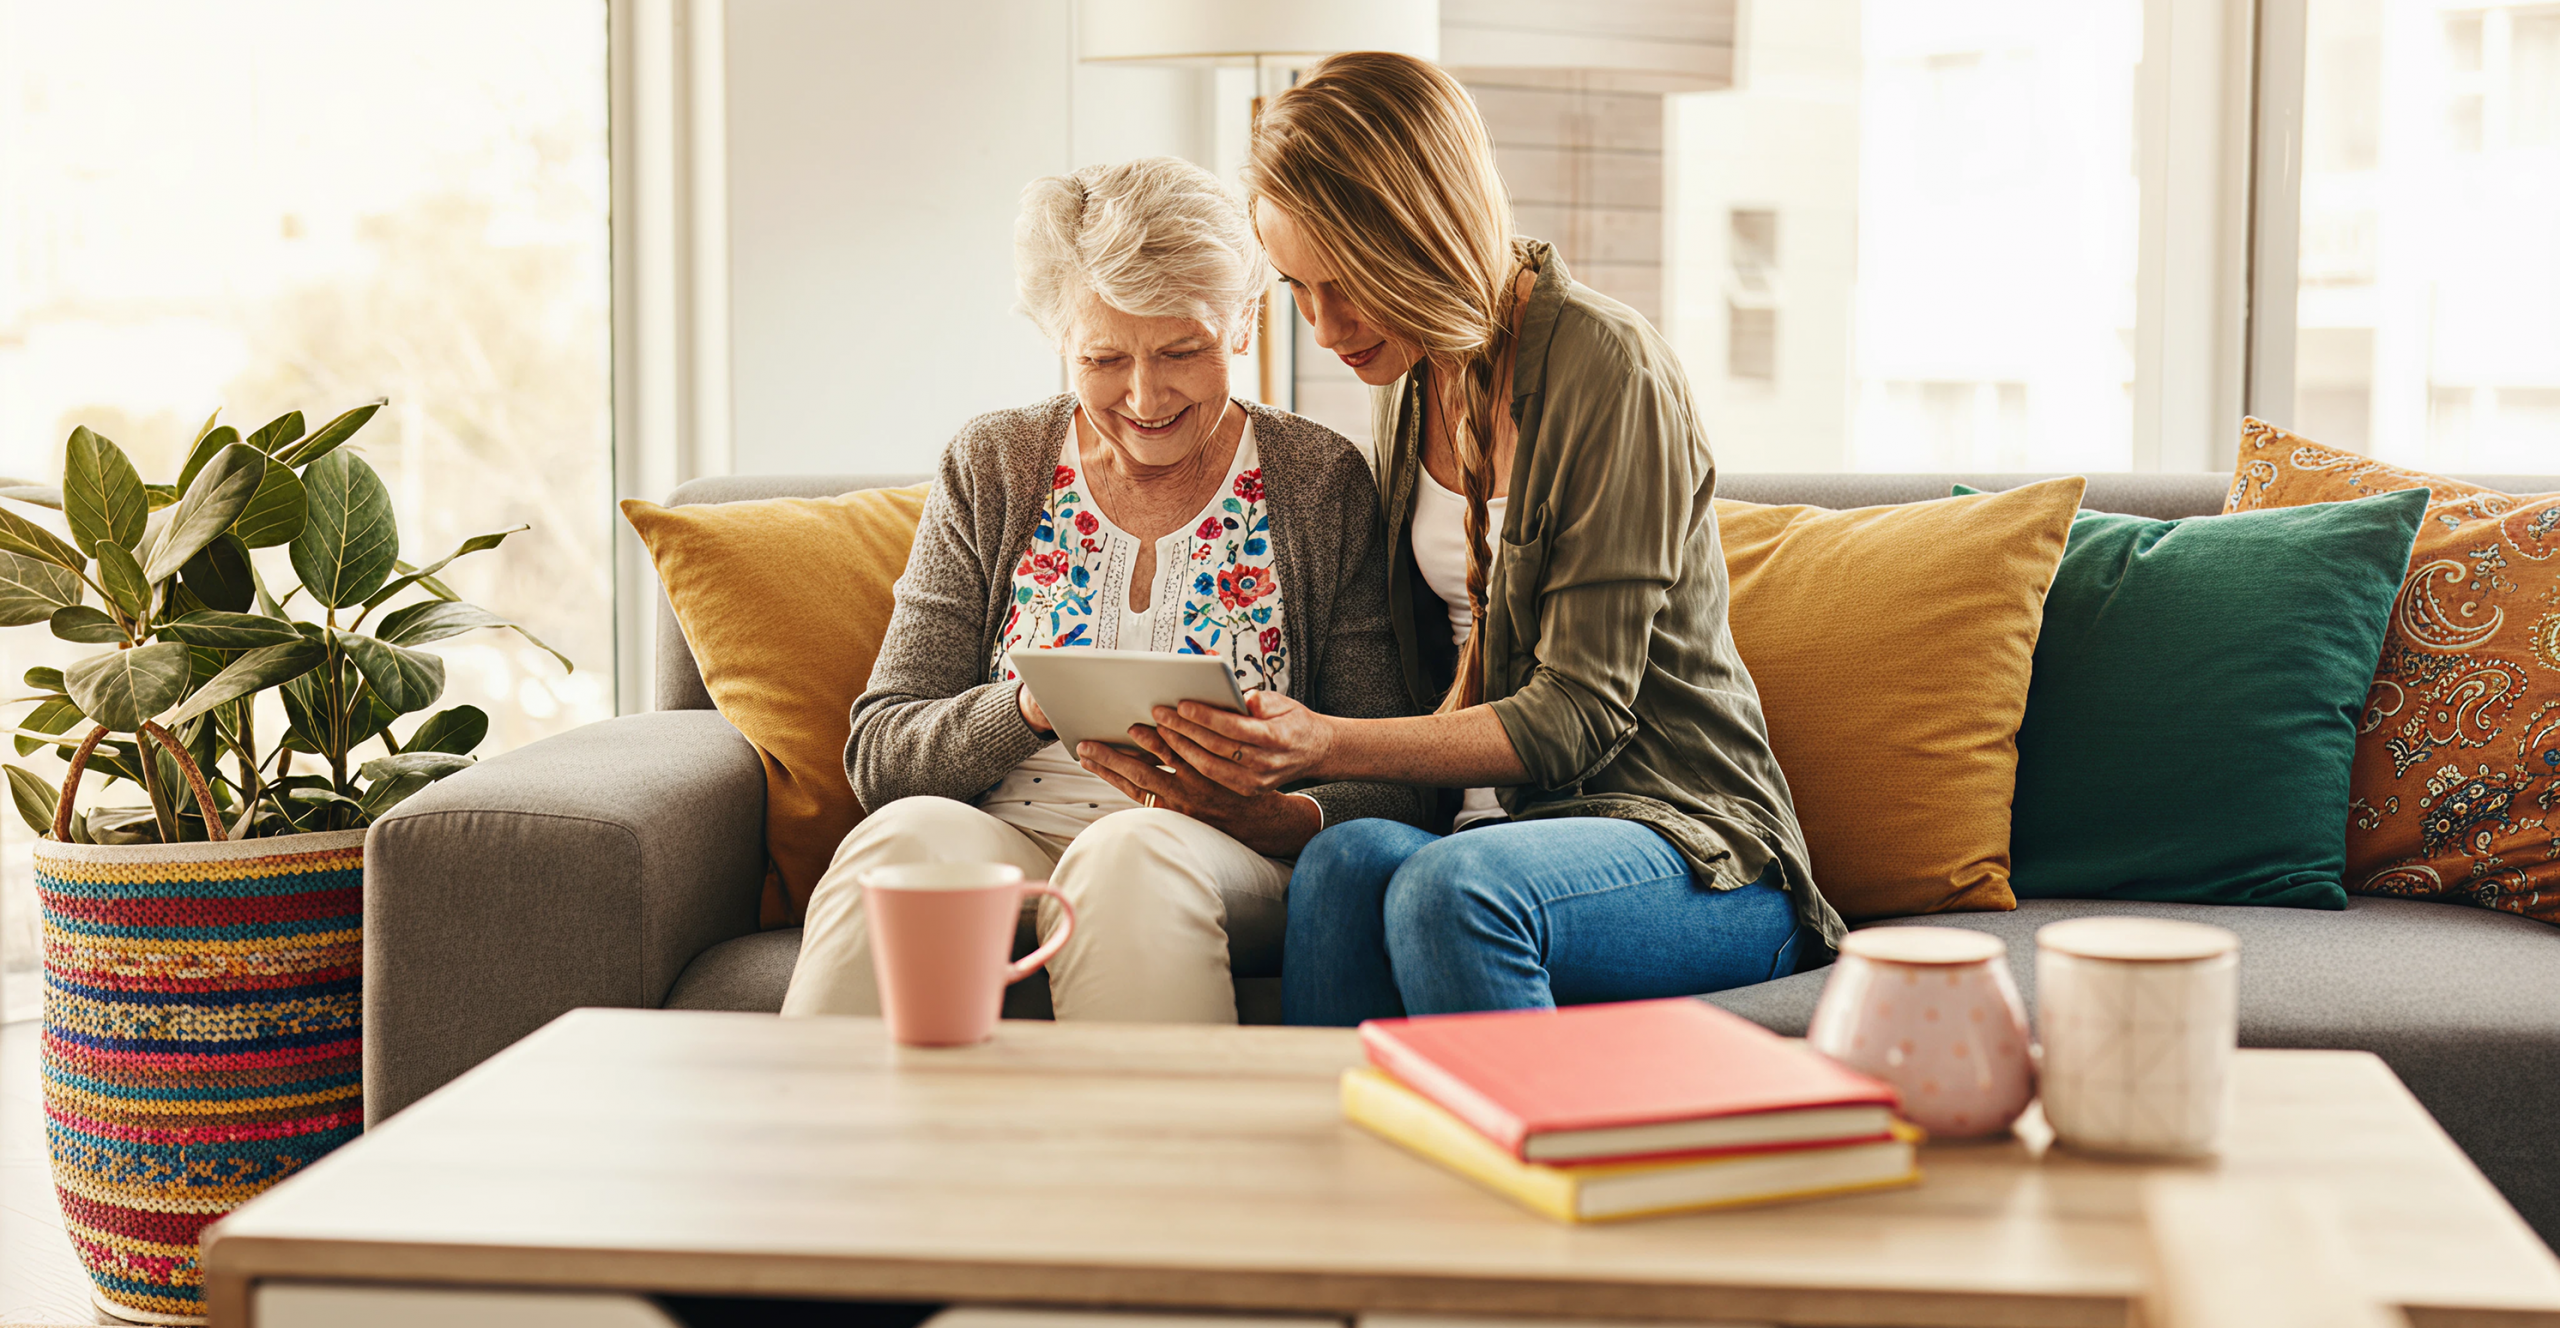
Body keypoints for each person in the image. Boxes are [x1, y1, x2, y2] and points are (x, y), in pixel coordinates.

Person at [1128, 52, 1846, 1026]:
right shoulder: (1418, 377)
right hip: (1493, 835)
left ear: (1421, 233)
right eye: (1295, 288)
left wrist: (1322, 743)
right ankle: (1322, 1175)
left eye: (1346, 284)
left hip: (1689, 844)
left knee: (1451, 890)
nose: (1323, 325)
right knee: (1341, 863)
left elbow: (1579, 715)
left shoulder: (1610, 368)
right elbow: (1448, 668)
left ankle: (1539, 1169)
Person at [780, 155, 1418, 1026]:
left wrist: (1266, 811)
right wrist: (1028, 706)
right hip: (1011, 837)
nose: (1145, 395)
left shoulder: (1320, 480)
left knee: (1129, 853)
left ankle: (1151, 1161)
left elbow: (1393, 780)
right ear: (1059, 343)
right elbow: (882, 753)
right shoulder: (993, 463)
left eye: (1182, 351)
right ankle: (823, 1150)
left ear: (1242, 326)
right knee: (897, 844)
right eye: (1105, 357)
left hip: (1222, 857)